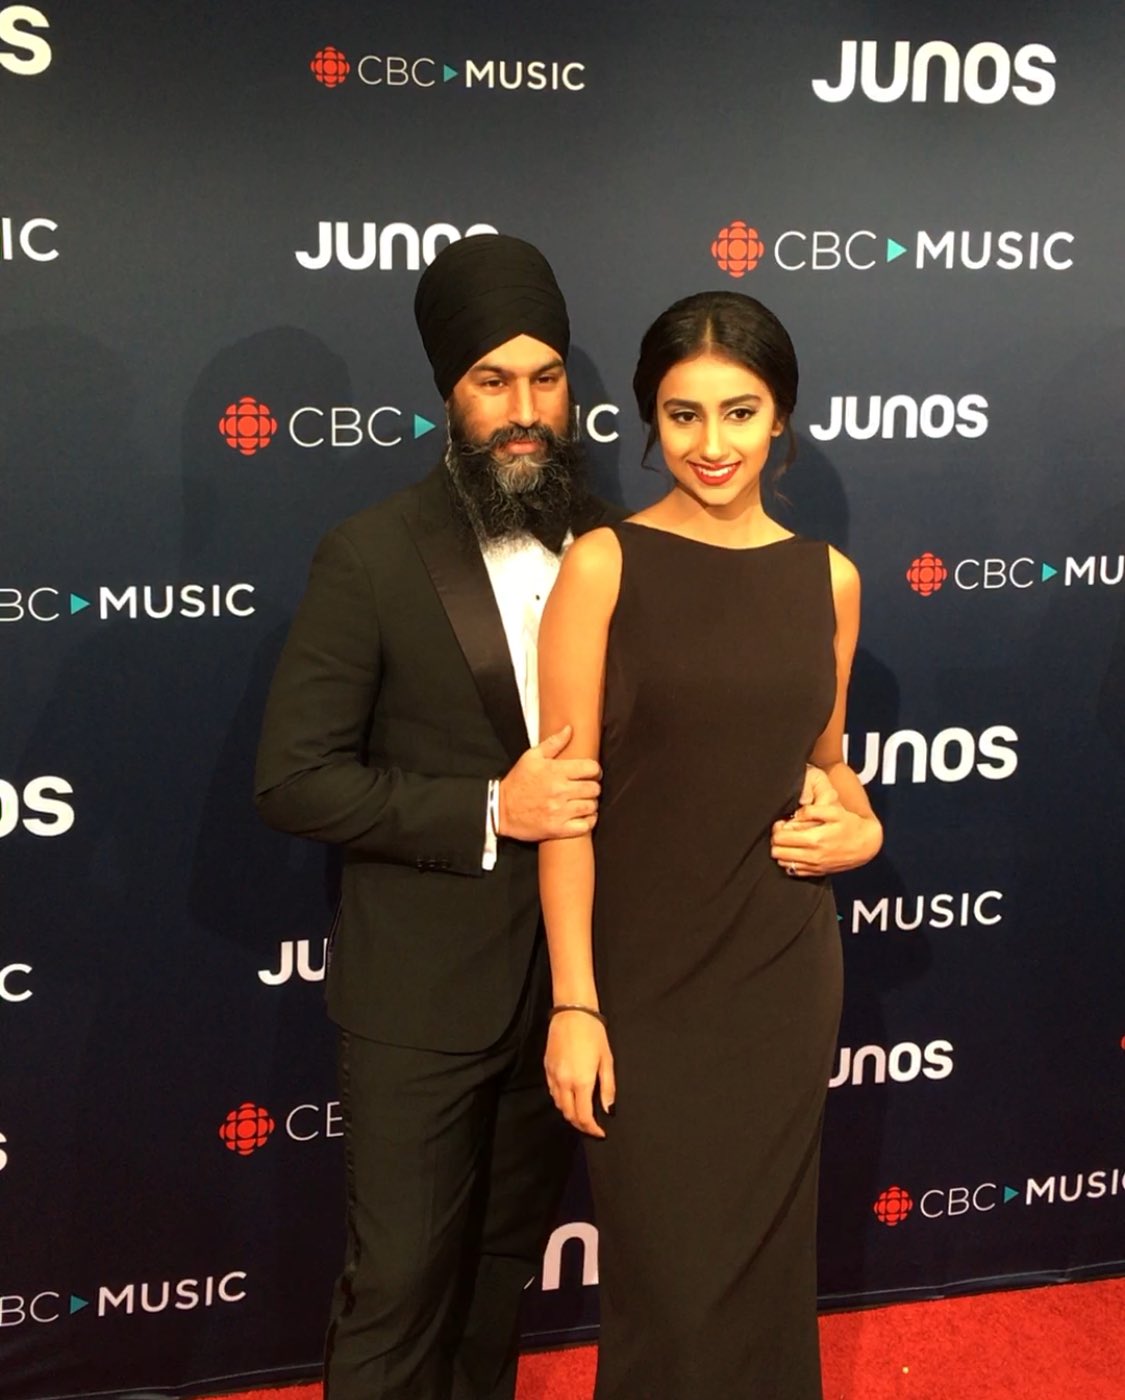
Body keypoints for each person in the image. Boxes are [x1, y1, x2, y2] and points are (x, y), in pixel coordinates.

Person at [254, 233, 622, 1400]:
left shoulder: (619, 546)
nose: (524, 411)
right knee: (401, 1285)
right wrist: (493, 807)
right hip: (419, 999)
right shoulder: (370, 554)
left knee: (499, 1278)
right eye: (492, 380)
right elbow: (294, 777)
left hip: (568, 990)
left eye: (545, 377)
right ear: (448, 394)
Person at [537, 290, 884, 1399]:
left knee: (765, 1285)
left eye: (740, 411)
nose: (713, 443)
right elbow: (563, 805)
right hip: (643, 982)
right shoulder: (603, 564)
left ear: (780, 417)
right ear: (651, 420)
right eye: (683, 414)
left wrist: (864, 824)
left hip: (779, 971)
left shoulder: (828, 580)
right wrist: (575, 1002)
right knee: (673, 1298)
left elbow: (824, 759)